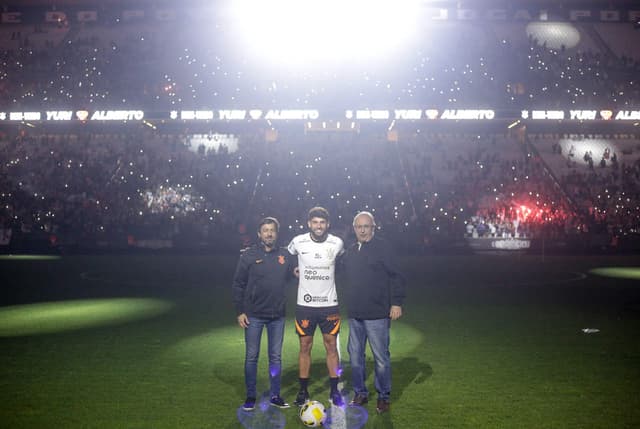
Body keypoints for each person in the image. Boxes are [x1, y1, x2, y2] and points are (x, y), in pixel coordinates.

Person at [340, 211, 406, 414]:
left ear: (373, 227)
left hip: (377, 314)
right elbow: (334, 270)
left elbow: (397, 275)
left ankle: (383, 397)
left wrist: (396, 303)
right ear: (354, 229)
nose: (362, 229)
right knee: (356, 357)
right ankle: (360, 393)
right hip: (355, 314)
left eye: (366, 226)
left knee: (381, 358)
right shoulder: (350, 251)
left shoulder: (383, 247)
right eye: (359, 226)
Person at [232, 217, 296, 411]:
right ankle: (251, 396)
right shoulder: (249, 255)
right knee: (252, 357)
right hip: (254, 315)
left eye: (272, 230)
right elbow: (238, 284)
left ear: (277, 233)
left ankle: (275, 395)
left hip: (277, 315)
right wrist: (240, 311)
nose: (269, 233)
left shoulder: (285, 255)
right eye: (265, 230)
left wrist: (298, 274)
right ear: (259, 234)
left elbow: (291, 277)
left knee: (275, 358)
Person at [287, 207, 345, 407]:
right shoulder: (297, 241)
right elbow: (285, 259)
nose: (318, 226)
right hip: (305, 305)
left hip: (329, 305)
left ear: (327, 224)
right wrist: (292, 269)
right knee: (305, 346)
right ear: (309, 224)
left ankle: (334, 390)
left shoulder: (337, 243)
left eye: (322, 222)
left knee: (331, 346)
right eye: (315, 222)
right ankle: (303, 391)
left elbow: (345, 263)